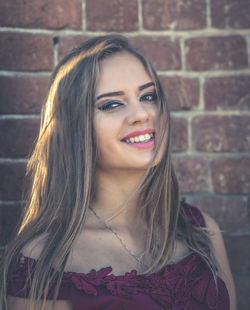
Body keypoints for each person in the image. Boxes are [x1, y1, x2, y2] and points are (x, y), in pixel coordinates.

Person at [0, 35, 237, 310]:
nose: (143, 114)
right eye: (112, 104)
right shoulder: (42, 260)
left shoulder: (203, 230)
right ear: (75, 126)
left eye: (148, 96)